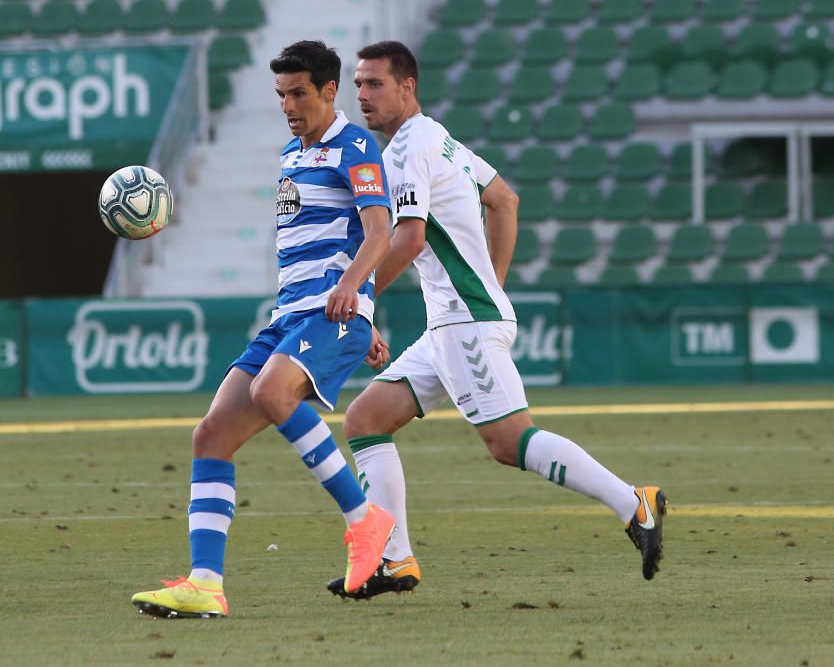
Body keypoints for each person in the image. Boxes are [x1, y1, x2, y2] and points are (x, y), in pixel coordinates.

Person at [325, 40, 667, 599]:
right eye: (358, 84)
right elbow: (504, 200)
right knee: (365, 420)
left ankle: (635, 502)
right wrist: (493, 289)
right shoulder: (438, 135)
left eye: (374, 84)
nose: (362, 95)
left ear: (407, 86)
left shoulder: (407, 150)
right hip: (454, 322)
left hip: (463, 322)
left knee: (509, 442)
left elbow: (408, 238)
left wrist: (362, 301)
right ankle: (394, 560)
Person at [131, 40, 396, 618]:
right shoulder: (291, 154)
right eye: (280, 95)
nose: (288, 105)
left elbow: (381, 232)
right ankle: (205, 583)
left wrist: (357, 293)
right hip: (289, 315)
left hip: (331, 311)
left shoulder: (355, 145)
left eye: (298, 93)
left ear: (329, 90)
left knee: (271, 392)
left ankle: (365, 518)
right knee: (211, 436)